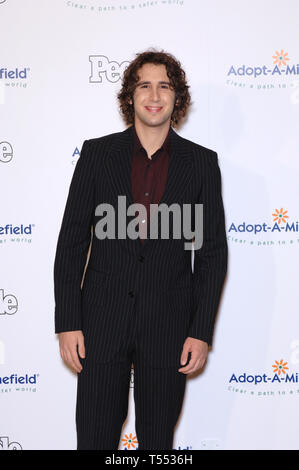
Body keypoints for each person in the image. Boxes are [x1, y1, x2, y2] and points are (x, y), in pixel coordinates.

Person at [53, 49, 228, 450]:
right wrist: (67, 320)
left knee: (157, 444)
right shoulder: (97, 155)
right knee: (94, 439)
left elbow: (211, 255)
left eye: (164, 86)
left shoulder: (202, 163)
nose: (154, 94)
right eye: (144, 85)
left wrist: (200, 332)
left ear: (176, 98)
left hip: (169, 326)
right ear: (130, 96)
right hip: (100, 322)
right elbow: (72, 242)